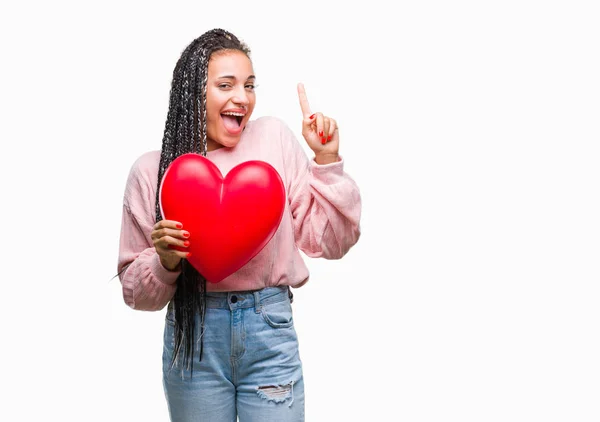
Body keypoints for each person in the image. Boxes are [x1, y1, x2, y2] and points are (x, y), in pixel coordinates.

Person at [117, 28, 361, 421]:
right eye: (225, 85)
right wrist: (165, 261)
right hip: (193, 337)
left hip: (269, 329)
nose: (242, 97)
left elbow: (332, 242)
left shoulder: (273, 140)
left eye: (249, 85)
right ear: (193, 93)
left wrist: (327, 161)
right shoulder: (154, 172)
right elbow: (135, 294)